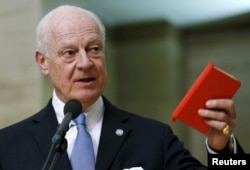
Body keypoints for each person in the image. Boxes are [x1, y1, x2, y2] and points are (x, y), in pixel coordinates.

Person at [0, 5, 244, 170]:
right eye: (69, 53)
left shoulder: (153, 138)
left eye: (94, 49)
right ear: (43, 62)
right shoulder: (7, 146)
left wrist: (222, 148)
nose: (85, 63)